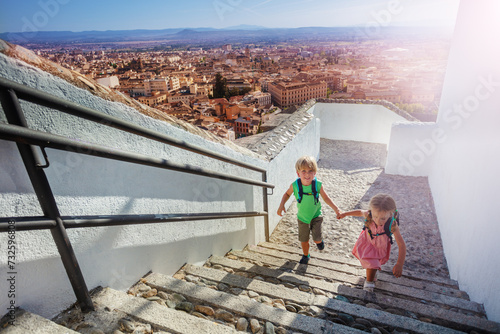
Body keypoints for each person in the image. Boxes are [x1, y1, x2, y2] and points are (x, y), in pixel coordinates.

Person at [277, 156, 342, 264]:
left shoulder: (317, 185)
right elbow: (287, 194)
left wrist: (336, 209)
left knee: (316, 239)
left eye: (310, 171)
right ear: (298, 173)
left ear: (315, 172)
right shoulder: (295, 185)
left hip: (316, 216)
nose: (307, 174)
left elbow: (326, 198)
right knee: (304, 240)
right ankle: (306, 255)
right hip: (302, 218)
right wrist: (281, 205)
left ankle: (319, 241)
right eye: (304, 171)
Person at [339, 193, 406, 292]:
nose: (378, 221)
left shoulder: (392, 224)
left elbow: (402, 245)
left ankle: (372, 274)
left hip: (380, 247)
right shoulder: (369, 214)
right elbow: (359, 212)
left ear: (391, 213)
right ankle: (369, 283)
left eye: (383, 218)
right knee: (372, 263)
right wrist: (345, 213)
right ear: (371, 211)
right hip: (367, 243)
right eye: (375, 217)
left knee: (373, 264)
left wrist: (399, 264)